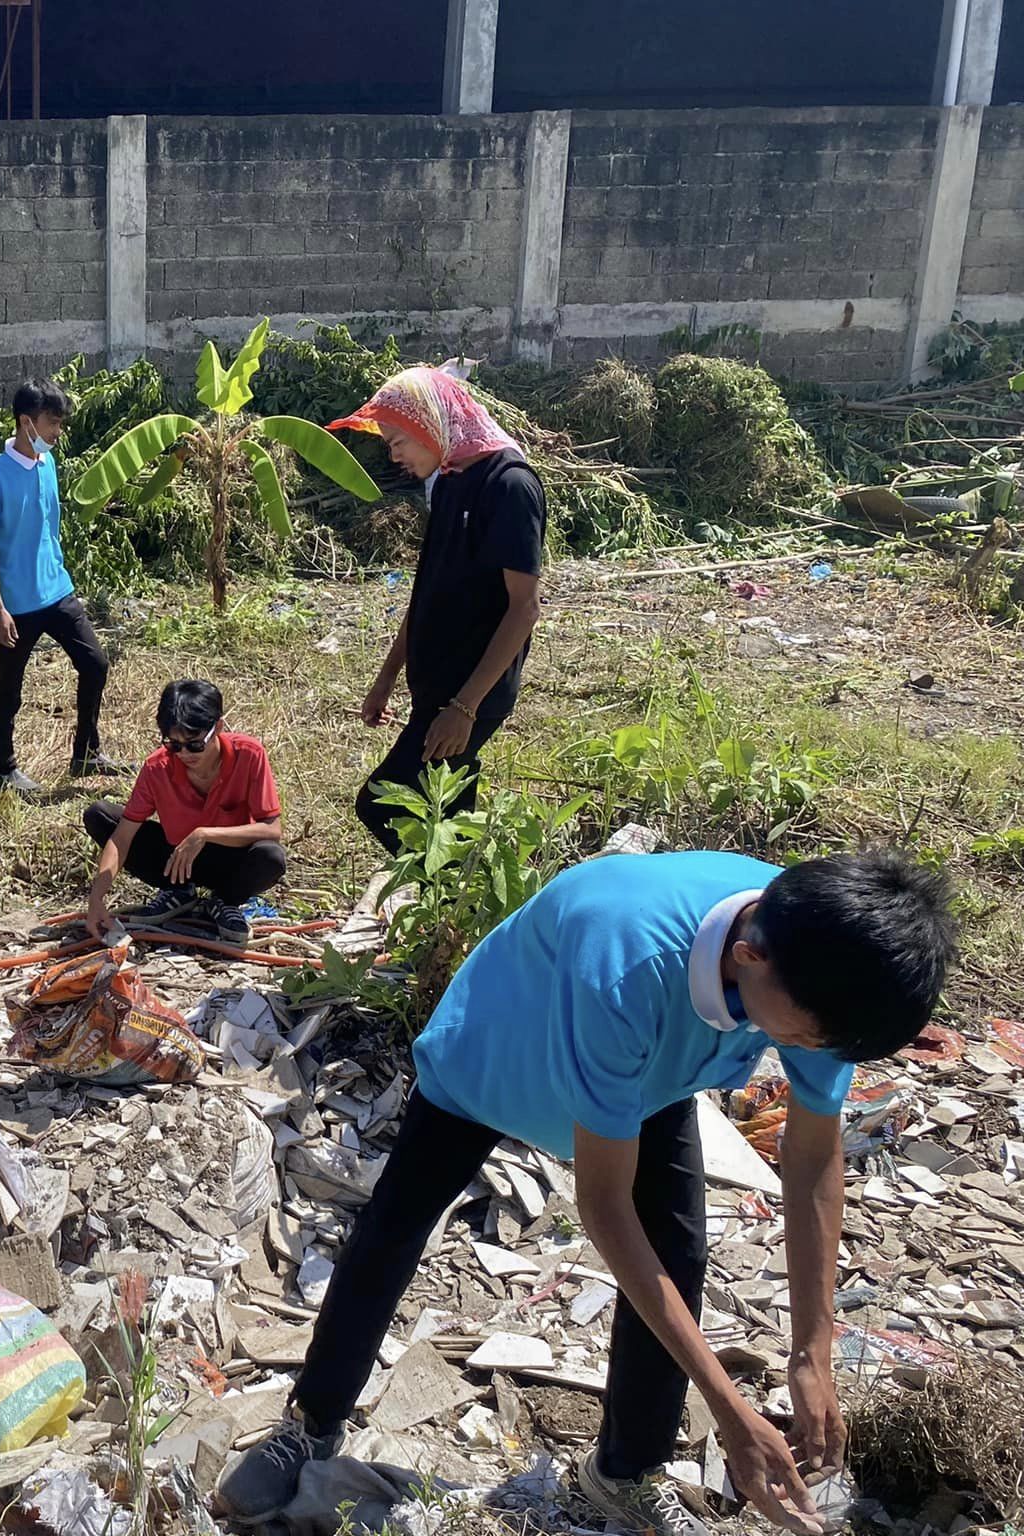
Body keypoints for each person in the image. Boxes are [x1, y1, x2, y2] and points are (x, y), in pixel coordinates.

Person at [217, 848, 957, 1536]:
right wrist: (730, 1413)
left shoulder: (830, 955)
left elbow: (813, 1159)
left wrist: (812, 1350)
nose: (806, 1057)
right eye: (798, 1041)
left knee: (679, 1250)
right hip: (493, 1063)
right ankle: (310, 1423)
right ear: (746, 958)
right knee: (392, 1232)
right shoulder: (631, 964)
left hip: (647, 1079)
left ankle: (626, 1470)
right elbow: (602, 1209)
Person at [329, 365, 544, 855]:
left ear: (431, 423)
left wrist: (465, 708)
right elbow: (427, 591)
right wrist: (386, 677)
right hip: (437, 688)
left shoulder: (508, 486)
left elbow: (524, 609)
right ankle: (457, 916)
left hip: (469, 692)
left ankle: (451, 901)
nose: (394, 454)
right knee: (447, 815)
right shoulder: (448, 478)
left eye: (398, 440)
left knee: (384, 805)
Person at [0, 378, 123, 794]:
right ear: (27, 422)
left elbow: (49, 529)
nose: (58, 432)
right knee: (9, 687)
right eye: (52, 423)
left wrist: (58, 570)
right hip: (18, 603)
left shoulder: (48, 464)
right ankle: (3, 771)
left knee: (95, 663)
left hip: (56, 590)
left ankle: (86, 755)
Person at [84, 679, 285, 946]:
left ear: (219, 728)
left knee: (270, 856)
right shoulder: (157, 767)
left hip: (231, 859)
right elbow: (122, 837)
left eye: (195, 744)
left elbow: (272, 829)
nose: (184, 754)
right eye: (174, 745)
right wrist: (96, 898)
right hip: (175, 861)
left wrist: (203, 835)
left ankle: (224, 901)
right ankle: (179, 892)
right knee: (100, 815)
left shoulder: (249, 754)